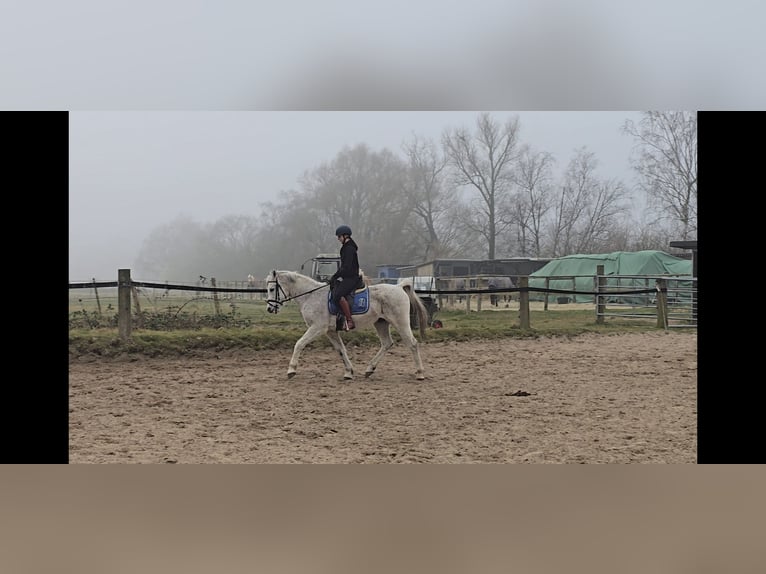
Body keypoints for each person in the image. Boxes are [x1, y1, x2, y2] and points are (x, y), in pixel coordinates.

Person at [328, 224, 360, 330]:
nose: (338, 239)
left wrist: (336, 275)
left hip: (352, 278)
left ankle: (349, 320)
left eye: (339, 236)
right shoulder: (346, 247)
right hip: (347, 276)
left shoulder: (349, 248)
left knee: (337, 295)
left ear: (345, 236)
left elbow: (346, 267)